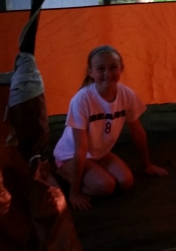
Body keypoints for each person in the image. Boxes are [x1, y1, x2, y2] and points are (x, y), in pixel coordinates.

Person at [53, 45, 168, 211]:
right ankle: (63, 172)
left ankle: (90, 174)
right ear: (90, 72)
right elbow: (80, 149)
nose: (107, 74)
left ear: (121, 69)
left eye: (113, 67)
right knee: (106, 186)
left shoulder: (126, 95)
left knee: (126, 182)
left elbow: (138, 132)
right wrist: (74, 193)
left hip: (99, 153)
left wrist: (147, 165)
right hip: (72, 155)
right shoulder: (82, 100)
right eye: (101, 69)